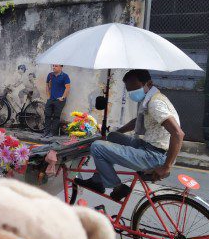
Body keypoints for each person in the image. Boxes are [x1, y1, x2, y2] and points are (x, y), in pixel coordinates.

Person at [75, 69, 184, 201]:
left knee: (97, 147)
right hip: (148, 146)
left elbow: (178, 134)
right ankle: (97, 180)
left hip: (155, 156)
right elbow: (137, 122)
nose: (132, 93)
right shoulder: (151, 98)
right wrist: (115, 133)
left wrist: (166, 167)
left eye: (135, 89)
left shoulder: (155, 104)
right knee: (112, 137)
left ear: (148, 83)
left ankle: (117, 187)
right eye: (129, 90)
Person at [43, 64, 71, 138]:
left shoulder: (65, 76)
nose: (54, 67)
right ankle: (46, 132)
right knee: (47, 115)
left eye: (56, 66)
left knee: (56, 116)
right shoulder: (50, 75)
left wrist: (63, 97)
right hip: (51, 99)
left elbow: (67, 88)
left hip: (59, 100)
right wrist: (48, 96)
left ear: (61, 67)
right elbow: (47, 85)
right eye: (53, 66)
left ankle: (52, 133)